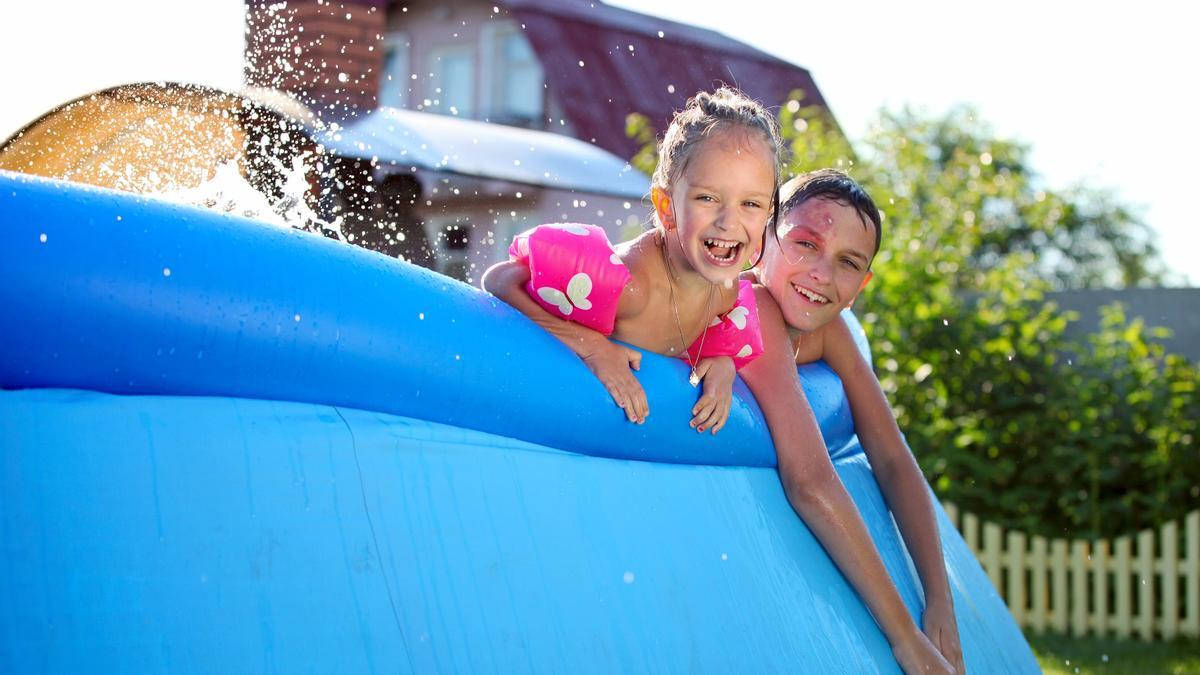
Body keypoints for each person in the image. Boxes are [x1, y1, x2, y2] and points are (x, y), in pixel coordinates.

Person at [741, 169, 963, 673]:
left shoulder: (832, 329)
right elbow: (808, 479)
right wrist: (906, 636)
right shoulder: (750, 304)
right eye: (804, 243)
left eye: (847, 263)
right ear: (761, 242)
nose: (822, 273)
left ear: (859, 287)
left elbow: (890, 457)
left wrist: (940, 601)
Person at [482, 87, 777, 431]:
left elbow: (701, 339)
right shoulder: (630, 287)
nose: (729, 222)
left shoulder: (724, 292)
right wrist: (592, 347)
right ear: (667, 207)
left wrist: (723, 364)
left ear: (768, 213)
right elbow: (500, 279)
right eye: (707, 198)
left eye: (751, 204)